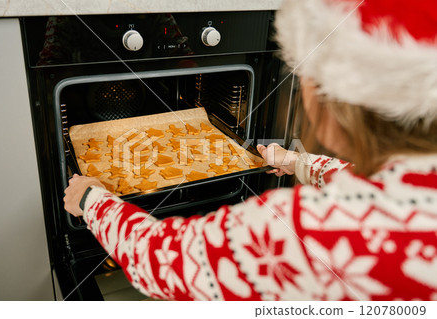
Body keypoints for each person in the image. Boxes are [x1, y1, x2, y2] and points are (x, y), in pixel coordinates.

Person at [64, 0, 437, 301]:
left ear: (331, 98)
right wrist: (298, 162)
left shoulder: (302, 232)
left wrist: (92, 200)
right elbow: (373, 185)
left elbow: (160, 261)